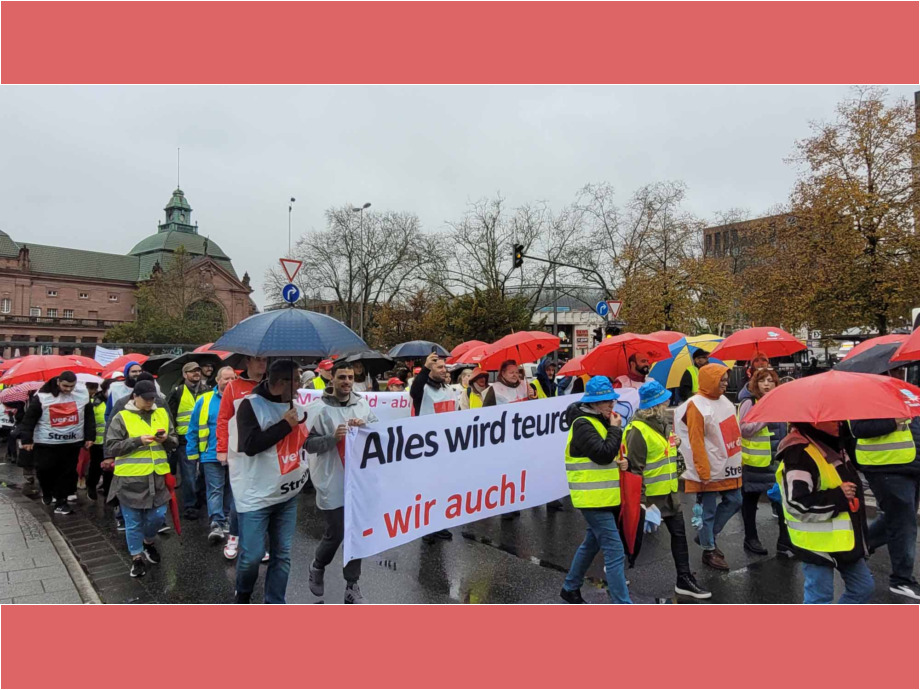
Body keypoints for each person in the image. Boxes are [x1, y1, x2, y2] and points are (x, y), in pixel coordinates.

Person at [622, 381, 711, 599]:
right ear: (655, 405)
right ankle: (616, 569)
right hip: (650, 498)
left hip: (669, 494)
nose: (667, 404)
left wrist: (675, 445)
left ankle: (684, 578)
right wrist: (641, 502)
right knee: (633, 539)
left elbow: (662, 454)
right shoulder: (637, 431)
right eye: (663, 401)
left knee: (679, 535)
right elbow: (634, 470)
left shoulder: (663, 424)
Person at [230, 360, 308, 604]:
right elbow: (250, 445)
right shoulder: (250, 405)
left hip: (286, 494)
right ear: (282, 382)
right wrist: (285, 425)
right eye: (296, 381)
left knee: (282, 555)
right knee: (252, 556)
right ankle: (243, 594)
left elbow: (305, 441)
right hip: (256, 495)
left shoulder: (295, 405)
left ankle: (274, 602)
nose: (299, 387)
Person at [776, 421, 873, 603]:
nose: (840, 422)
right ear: (813, 421)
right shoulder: (799, 453)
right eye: (833, 419)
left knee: (863, 588)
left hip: (845, 540)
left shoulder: (833, 444)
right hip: (817, 545)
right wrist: (839, 496)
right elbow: (797, 504)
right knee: (820, 599)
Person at [306, 360, 379, 604]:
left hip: (358, 480)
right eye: (342, 377)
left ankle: (352, 585)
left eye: (350, 377)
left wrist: (365, 426)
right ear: (332, 378)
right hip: (331, 479)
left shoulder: (362, 404)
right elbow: (308, 445)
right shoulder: (318, 408)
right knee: (336, 531)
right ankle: (318, 565)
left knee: (355, 533)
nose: (347, 382)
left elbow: (378, 432)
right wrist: (332, 438)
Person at [559, 376, 631, 604]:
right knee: (615, 551)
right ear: (594, 403)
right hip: (592, 499)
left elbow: (609, 453)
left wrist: (623, 461)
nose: (612, 405)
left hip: (603, 497)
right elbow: (602, 454)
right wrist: (615, 429)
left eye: (612, 400)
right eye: (607, 401)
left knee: (592, 543)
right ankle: (623, 604)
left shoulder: (599, 421)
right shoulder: (583, 424)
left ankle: (570, 587)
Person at [103, 380, 178, 578]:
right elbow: (111, 446)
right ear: (135, 396)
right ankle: (136, 558)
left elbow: (174, 440)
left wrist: (166, 440)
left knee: (158, 516)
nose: (150, 402)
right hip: (130, 479)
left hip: (157, 476)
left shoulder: (161, 413)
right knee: (133, 521)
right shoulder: (121, 417)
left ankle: (148, 542)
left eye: (153, 398)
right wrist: (137, 441)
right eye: (146, 398)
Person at [674, 363, 743, 570]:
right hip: (707, 467)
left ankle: (707, 536)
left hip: (725, 465)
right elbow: (695, 441)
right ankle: (709, 549)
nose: (726, 384)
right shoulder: (696, 405)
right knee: (708, 511)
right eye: (722, 380)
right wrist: (703, 471)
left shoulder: (723, 401)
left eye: (726, 380)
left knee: (735, 500)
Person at [848, 412, 920, 600]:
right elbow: (858, 429)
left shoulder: (908, 398)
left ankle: (857, 549)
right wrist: (893, 421)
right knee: (904, 523)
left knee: (899, 519)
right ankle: (901, 580)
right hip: (885, 466)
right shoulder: (868, 397)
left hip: (911, 465)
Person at [216, 354, 268, 560]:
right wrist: (222, 448)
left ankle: (259, 543)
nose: (262, 363)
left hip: (266, 451)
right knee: (240, 498)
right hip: (239, 452)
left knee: (263, 499)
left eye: (265, 360)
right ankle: (234, 537)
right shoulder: (234, 387)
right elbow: (224, 419)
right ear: (248, 362)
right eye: (258, 359)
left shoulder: (271, 383)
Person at [20, 371, 94, 515]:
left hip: (72, 442)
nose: (68, 389)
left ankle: (61, 501)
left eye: (71, 386)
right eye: (65, 386)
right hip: (46, 442)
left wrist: (90, 436)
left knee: (66, 472)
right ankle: (47, 491)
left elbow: (88, 416)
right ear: (58, 382)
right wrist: (27, 439)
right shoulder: (42, 396)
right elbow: (29, 418)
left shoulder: (82, 394)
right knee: (45, 469)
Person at [737, 367, 790, 556]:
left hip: (776, 461)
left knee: (783, 500)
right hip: (755, 462)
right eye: (762, 380)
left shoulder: (780, 402)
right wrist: (766, 418)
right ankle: (751, 538)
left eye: (771, 380)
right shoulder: (750, 402)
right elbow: (744, 429)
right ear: (755, 384)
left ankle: (785, 540)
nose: (767, 384)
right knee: (750, 501)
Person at [187, 366, 237, 546]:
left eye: (233, 378)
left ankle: (227, 519)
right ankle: (217, 522)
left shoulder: (240, 399)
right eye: (226, 378)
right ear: (217, 380)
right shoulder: (205, 400)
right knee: (215, 489)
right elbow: (193, 427)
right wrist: (192, 452)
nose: (230, 382)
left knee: (231, 488)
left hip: (235, 453)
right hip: (211, 453)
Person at [167, 361, 211, 520]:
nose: (196, 373)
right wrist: (172, 437)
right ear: (185, 374)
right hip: (185, 439)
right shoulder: (178, 392)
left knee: (205, 473)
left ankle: (200, 496)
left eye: (198, 370)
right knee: (188, 475)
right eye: (192, 371)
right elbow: (170, 415)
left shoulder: (208, 390)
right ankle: (190, 505)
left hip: (205, 438)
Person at [410, 352, 457, 416]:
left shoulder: (449, 389)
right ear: (429, 369)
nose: (444, 370)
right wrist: (426, 368)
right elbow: (415, 391)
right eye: (440, 367)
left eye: (444, 367)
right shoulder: (423, 389)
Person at [85, 380, 108, 501]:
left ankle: (108, 490)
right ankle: (91, 486)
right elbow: (89, 421)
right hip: (97, 441)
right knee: (96, 466)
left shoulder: (118, 401)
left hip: (112, 441)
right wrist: (89, 437)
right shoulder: (94, 402)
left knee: (110, 468)